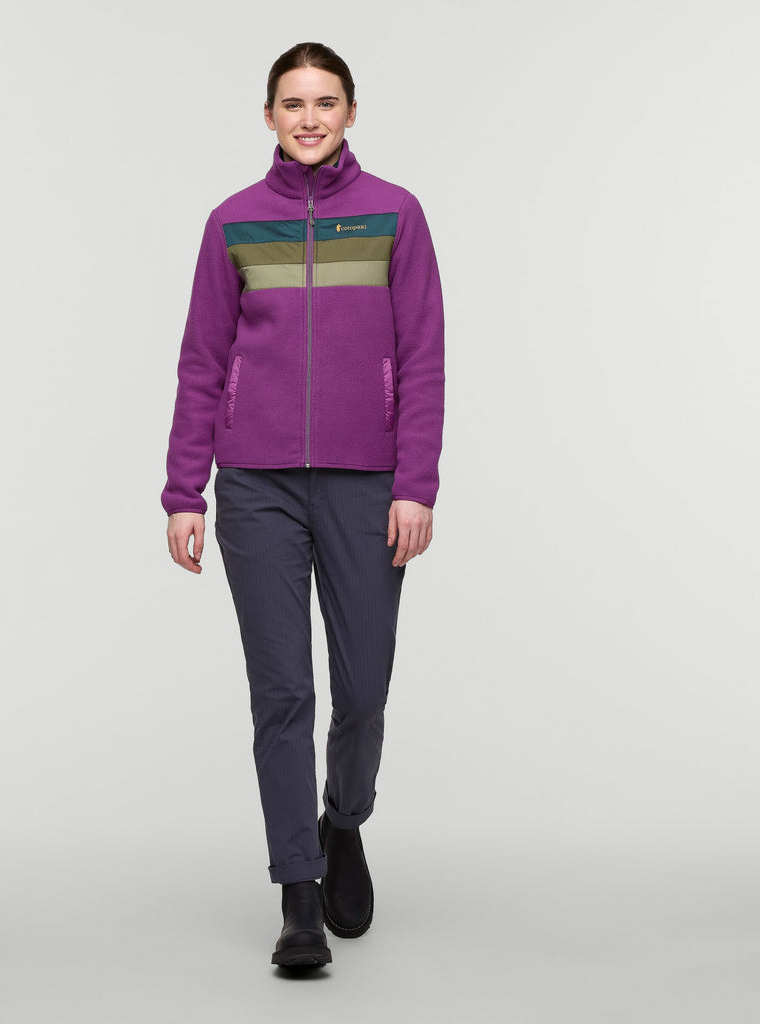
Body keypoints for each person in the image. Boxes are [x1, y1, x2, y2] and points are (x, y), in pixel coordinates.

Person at [161, 41, 445, 968]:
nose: (310, 118)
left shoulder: (396, 215)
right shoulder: (233, 223)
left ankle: (343, 820)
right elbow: (202, 361)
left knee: (361, 692)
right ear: (270, 116)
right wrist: (185, 490)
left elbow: (425, 357)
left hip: (368, 485)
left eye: (326, 102)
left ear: (351, 112)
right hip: (257, 486)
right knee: (281, 693)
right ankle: (297, 895)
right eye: (293, 103)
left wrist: (416, 483)